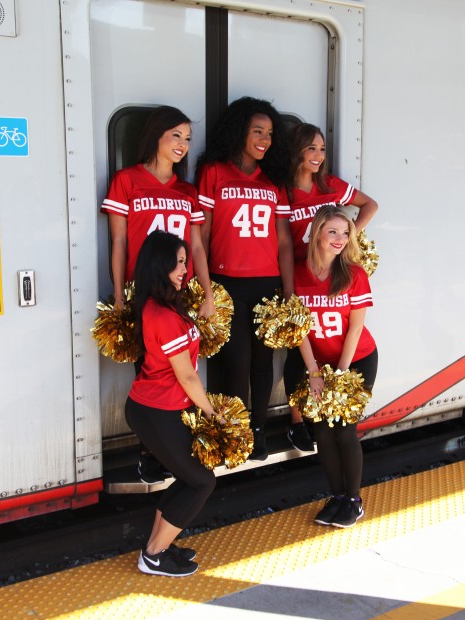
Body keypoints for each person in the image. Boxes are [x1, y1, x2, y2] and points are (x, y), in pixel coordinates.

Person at [101, 106, 215, 483]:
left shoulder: (187, 190)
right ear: (156, 137)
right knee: (149, 370)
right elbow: (118, 241)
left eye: (187, 138)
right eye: (175, 136)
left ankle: (173, 445)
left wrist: (208, 292)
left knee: (183, 368)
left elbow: (197, 248)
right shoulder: (126, 180)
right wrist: (119, 293)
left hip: (181, 290)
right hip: (144, 292)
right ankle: (149, 451)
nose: (182, 144)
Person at [196, 97, 293, 461]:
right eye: (257, 131)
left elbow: (283, 240)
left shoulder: (274, 179)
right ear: (240, 131)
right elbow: (201, 235)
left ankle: (259, 431)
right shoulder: (214, 171)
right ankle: (232, 434)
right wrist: (202, 287)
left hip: (267, 283)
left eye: (269, 134)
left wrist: (289, 290)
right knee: (235, 361)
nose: (264, 140)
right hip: (226, 281)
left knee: (262, 363)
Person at [125, 230, 218, 576]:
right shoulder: (161, 314)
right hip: (155, 411)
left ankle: (159, 546)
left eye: (185, 262)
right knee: (201, 481)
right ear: (159, 264)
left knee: (188, 477)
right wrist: (212, 414)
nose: (184, 269)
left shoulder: (167, 304)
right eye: (178, 263)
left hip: (166, 408)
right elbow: (188, 376)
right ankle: (153, 554)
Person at [284, 123, 378, 452]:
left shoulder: (332, 186)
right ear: (297, 151)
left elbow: (370, 205)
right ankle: (297, 421)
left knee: (329, 333)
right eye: (311, 149)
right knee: (298, 344)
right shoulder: (286, 192)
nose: (318, 156)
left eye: (322, 149)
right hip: (302, 274)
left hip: (329, 273)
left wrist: (347, 239)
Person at [285, 205, 378, 528]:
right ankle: (336, 496)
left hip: (357, 359)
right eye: (333, 232)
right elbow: (298, 328)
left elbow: (355, 329)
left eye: (346, 232)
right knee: (322, 431)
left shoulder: (354, 274)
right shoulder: (298, 272)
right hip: (318, 363)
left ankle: (354, 500)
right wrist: (313, 372)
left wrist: (340, 374)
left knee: (344, 428)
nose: (340, 239)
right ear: (317, 233)